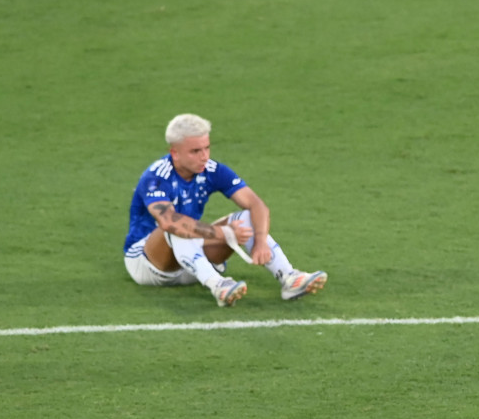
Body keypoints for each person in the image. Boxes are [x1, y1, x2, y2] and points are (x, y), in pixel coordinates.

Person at [123, 114, 327, 305]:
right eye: (195, 151)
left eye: (207, 148)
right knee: (177, 227)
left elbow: (256, 204)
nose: (204, 156)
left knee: (246, 218)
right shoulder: (156, 177)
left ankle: (289, 277)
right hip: (147, 264)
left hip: (191, 262)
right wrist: (224, 233)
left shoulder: (211, 169)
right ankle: (218, 285)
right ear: (174, 153)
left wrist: (261, 241)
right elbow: (169, 221)